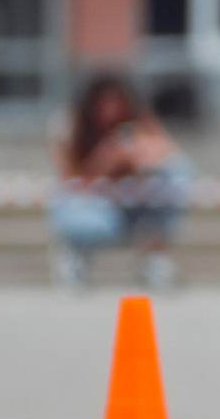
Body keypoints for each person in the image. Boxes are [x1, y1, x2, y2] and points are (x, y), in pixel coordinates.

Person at [47, 74, 191, 290]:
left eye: (116, 104)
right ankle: (74, 258)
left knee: (175, 176)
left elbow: (171, 158)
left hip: (133, 205)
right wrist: (107, 159)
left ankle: (155, 260)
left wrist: (142, 158)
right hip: (93, 206)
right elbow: (71, 182)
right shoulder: (69, 126)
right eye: (104, 105)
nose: (110, 112)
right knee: (72, 208)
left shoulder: (139, 124)